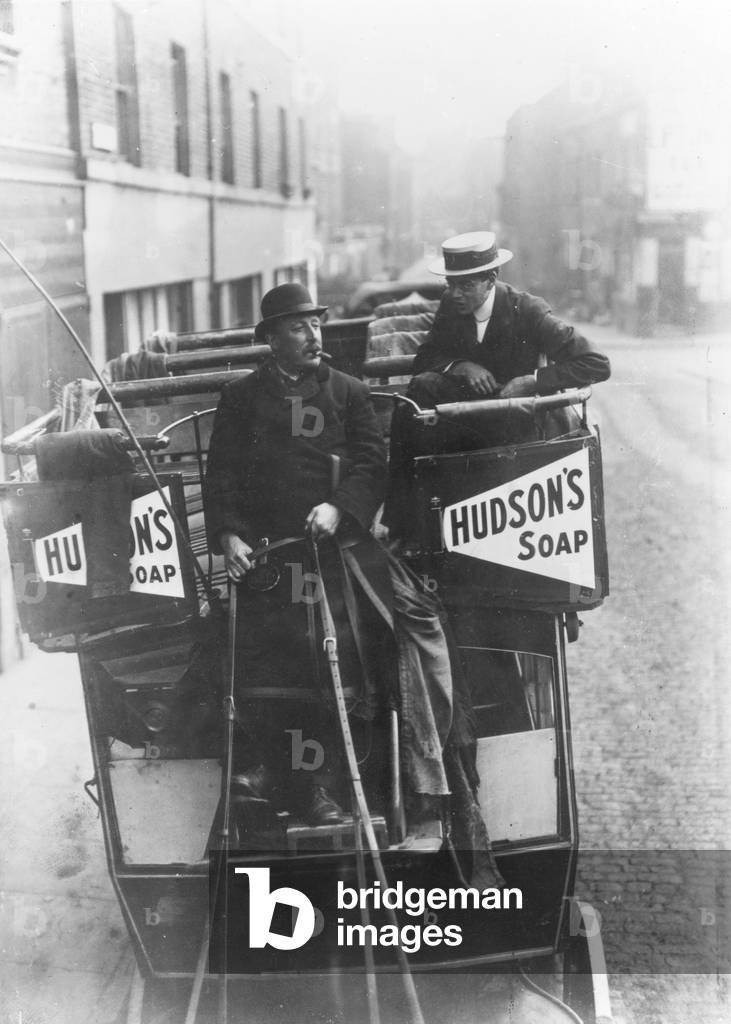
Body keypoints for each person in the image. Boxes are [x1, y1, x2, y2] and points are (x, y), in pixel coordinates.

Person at [204, 283, 468, 843]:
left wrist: (339, 507)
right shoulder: (241, 399)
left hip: (341, 552)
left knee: (399, 636)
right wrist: (228, 536)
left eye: (316, 325)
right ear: (271, 338)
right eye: (298, 327)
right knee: (258, 666)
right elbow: (221, 476)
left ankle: (397, 779)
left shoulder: (348, 392)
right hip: (270, 558)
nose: (313, 335)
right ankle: (285, 780)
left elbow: (373, 465)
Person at [385, 231, 611, 539]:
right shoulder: (451, 307)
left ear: (491, 280)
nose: (455, 293)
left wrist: (531, 382)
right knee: (415, 399)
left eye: (466, 285)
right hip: (463, 424)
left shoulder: (528, 311)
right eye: (450, 284)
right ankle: (403, 526)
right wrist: (461, 366)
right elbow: (425, 358)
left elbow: (596, 363)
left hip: (515, 430)